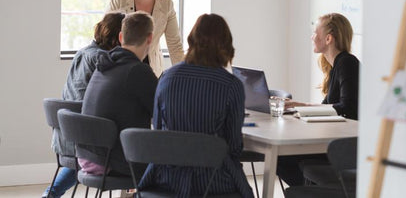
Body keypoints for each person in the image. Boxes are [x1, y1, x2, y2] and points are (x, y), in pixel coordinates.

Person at [139, 14, 254, 198]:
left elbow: (158, 132)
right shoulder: (231, 85)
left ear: (191, 40)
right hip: (213, 179)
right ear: (226, 44)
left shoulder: (167, 77)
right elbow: (233, 146)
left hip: (168, 177)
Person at [42, 12, 124, 198]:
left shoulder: (83, 53)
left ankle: (50, 194)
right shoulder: (103, 59)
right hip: (85, 139)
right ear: (119, 37)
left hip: (65, 136)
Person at [277, 12, 360, 186]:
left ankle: (314, 192)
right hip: (336, 140)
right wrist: (298, 107)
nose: (312, 37)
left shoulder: (347, 63)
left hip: (345, 146)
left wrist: (303, 106)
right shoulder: (337, 65)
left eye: (315, 32)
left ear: (329, 38)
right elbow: (329, 107)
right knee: (282, 156)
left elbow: (347, 108)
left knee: (282, 157)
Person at [79, 11, 158, 176]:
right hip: (113, 161)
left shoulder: (103, 65)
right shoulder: (138, 71)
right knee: (174, 160)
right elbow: (163, 114)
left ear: (121, 37)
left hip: (88, 156)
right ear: (149, 38)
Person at [106, 0, 184, 77]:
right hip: (121, 67)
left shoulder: (167, 5)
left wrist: (183, 77)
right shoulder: (119, 0)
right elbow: (106, 37)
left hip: (152, 70)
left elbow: (174, 46)